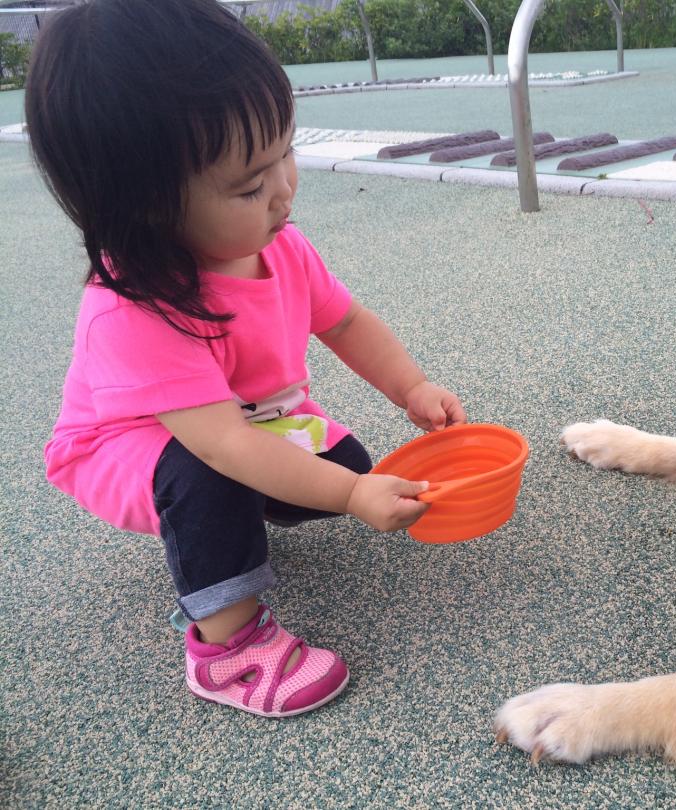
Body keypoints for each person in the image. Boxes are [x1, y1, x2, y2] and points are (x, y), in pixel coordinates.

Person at [24, 0, 466, 718]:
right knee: (216, 478)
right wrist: (351, 499)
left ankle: (242, 520)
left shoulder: (277, 245)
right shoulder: (134, 303)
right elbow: (224, 444)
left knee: (350, 471)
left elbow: (346, 320)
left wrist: (410, 387)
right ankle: (224, 648)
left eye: (284, 154)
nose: (284, 190)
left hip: (250, 421)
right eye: (249, 185)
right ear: (146, 209)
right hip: (131, 444)